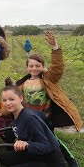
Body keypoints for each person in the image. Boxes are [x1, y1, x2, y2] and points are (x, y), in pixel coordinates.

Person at [15, 31, 82, 166]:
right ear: (27, 67)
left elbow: (57, 68)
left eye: (37, 65)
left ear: (43, 66)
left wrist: (55, 47)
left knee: (53, 141)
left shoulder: (48, 79)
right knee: (35, 139)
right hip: (31, 119)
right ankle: (39, 158)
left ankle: (70, 161)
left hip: (45, 118)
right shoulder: (23, 83)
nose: (34, 68)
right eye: (31, 66)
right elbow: (16, 100)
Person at [0, 81, 68, 167]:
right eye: (4, 100)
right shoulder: (15, 114)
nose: (8, 103)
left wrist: (27, 144)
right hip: (35, 152)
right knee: (4, 158)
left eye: (11, 99)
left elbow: (46, 147)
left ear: (21, 98)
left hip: (50, 158)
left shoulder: (29, 118)